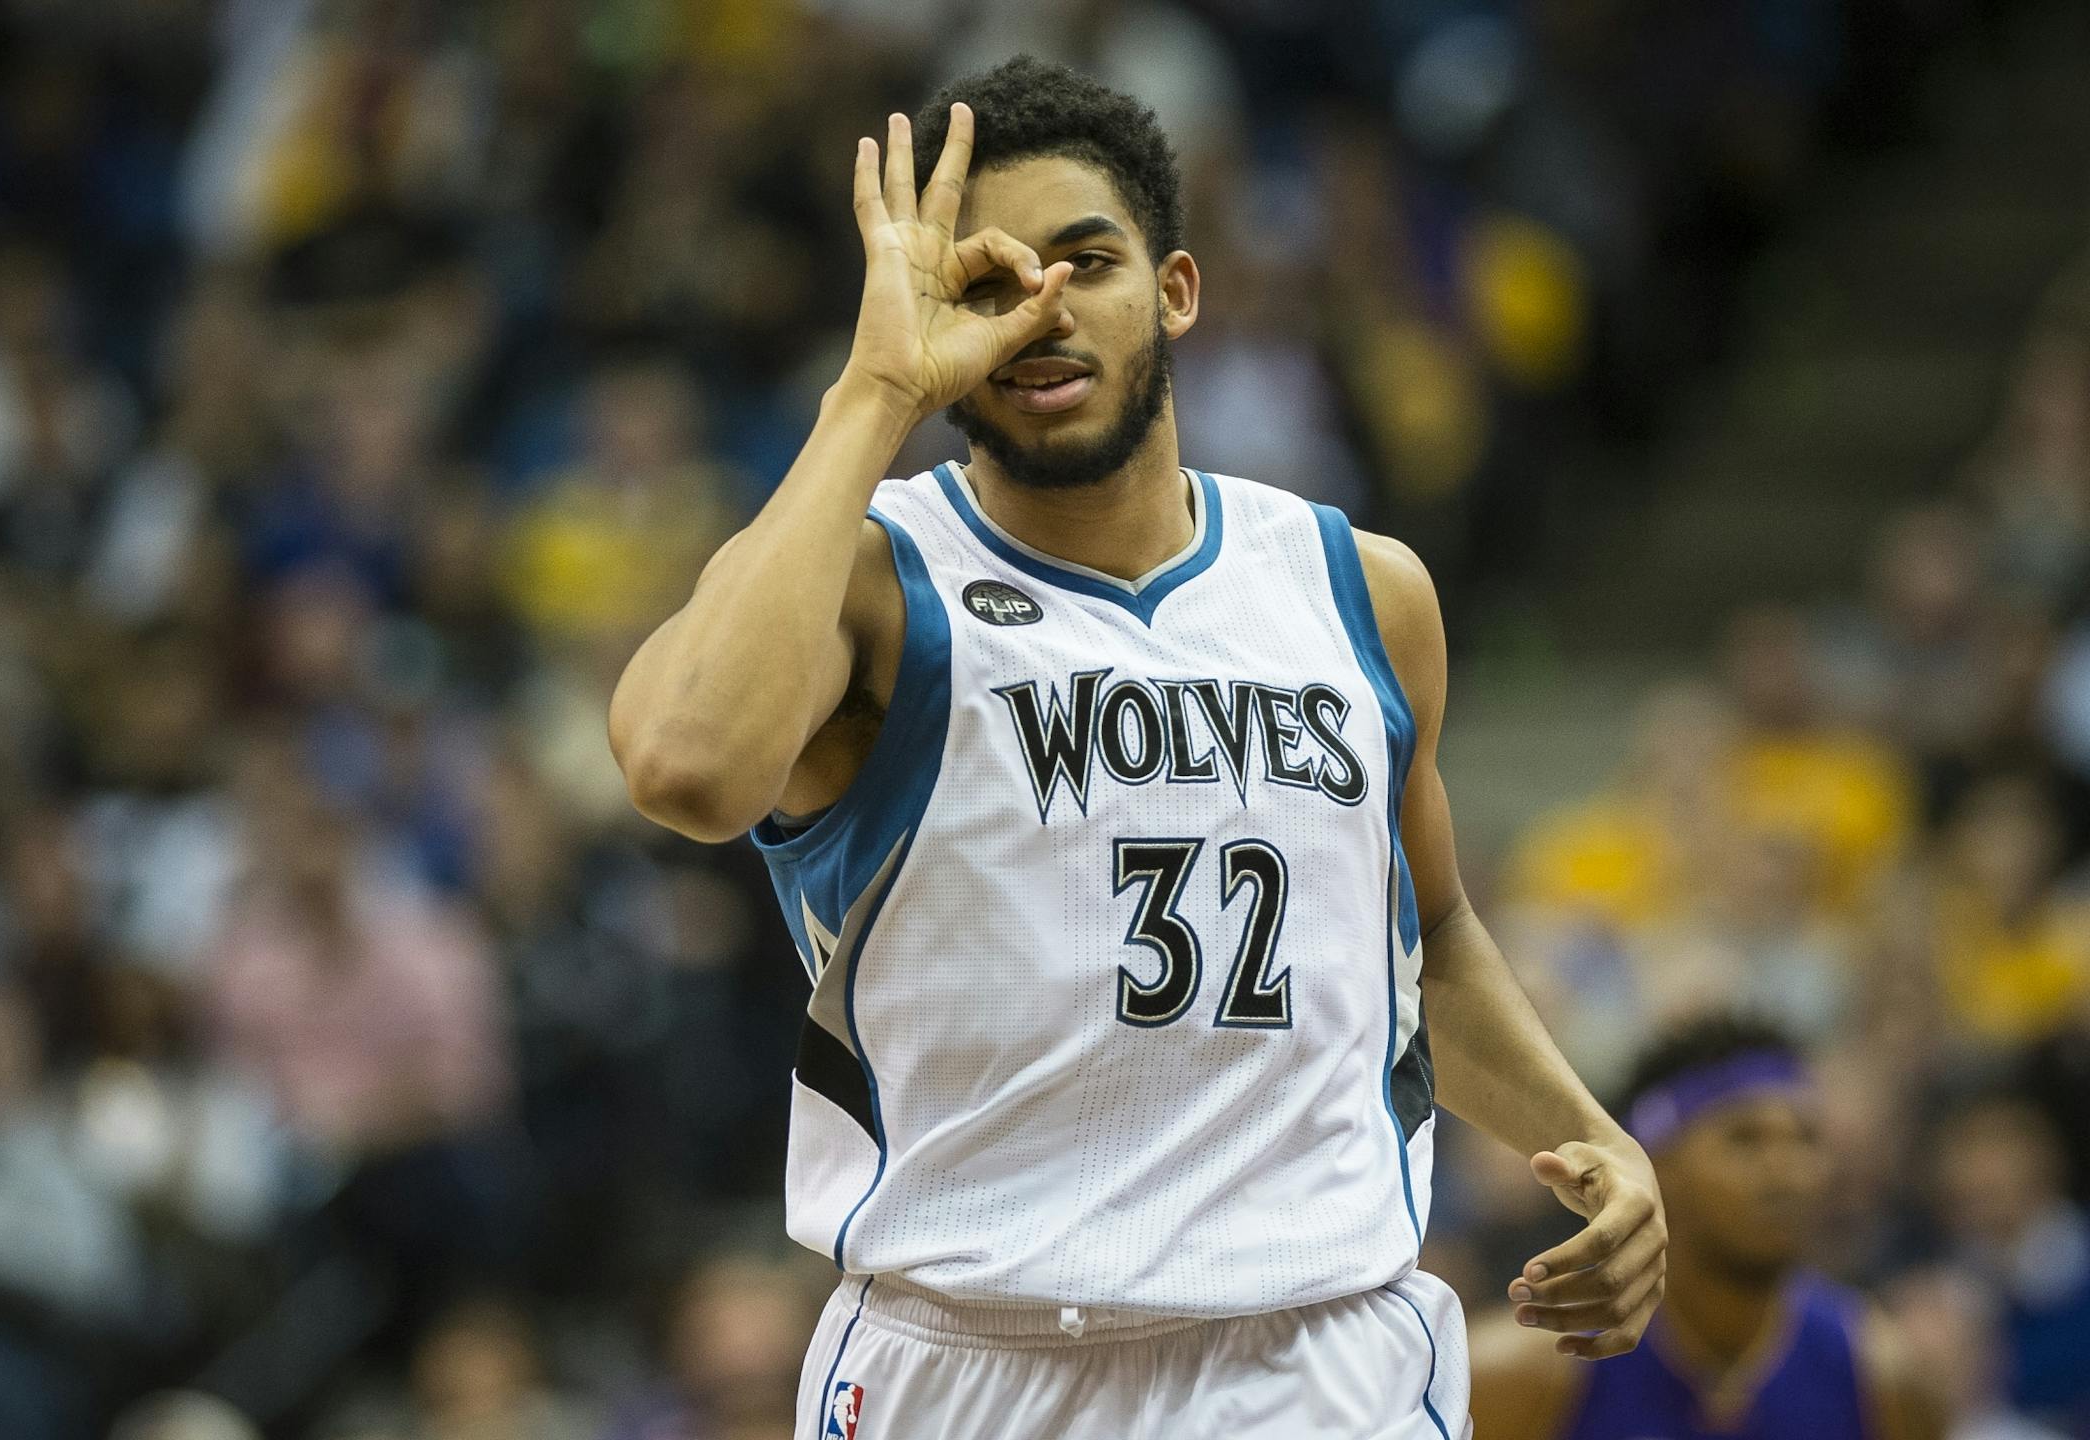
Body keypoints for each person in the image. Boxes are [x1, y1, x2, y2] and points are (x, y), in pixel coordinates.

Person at [609, 55, 1666, 1439]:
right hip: (974, 1359)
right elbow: (686, 765)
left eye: (1083, 262)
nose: (1040, 311)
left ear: (1174, 290)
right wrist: (873, 393)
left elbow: (1430, 932)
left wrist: (1587, 1132)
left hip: (1319, 1355)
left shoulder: (1360, 590)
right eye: (988, 284)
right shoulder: (872, 585)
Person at [1469, 1015, 1942, 1440]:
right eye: (1744, 1140)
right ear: (1653, 1167)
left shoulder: (1881, 1379)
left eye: (1806, 1139)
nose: (1787, 1172)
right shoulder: (1521, 1376)